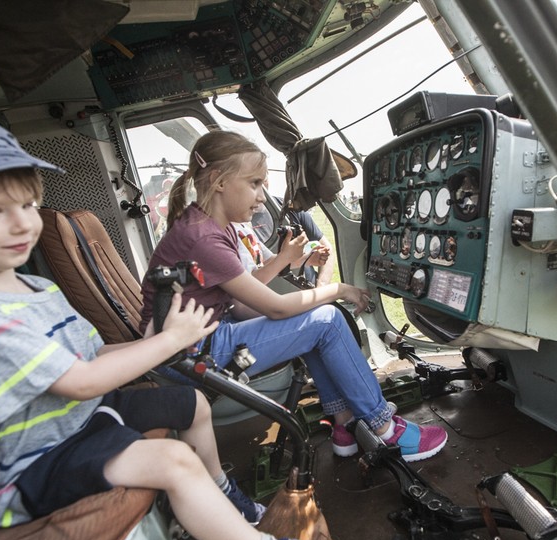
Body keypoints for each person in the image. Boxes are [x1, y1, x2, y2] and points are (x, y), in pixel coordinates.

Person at [0, 105, 361, 540]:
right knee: (172, 460)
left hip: (74, 419)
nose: (22, 224)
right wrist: (168, 343)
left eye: (26, 205)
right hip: (32, 463)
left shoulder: (29, 287)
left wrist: (155, 343)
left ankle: (222, 497)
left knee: (190, 405)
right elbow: (81, 380)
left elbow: (92, 355)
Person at [141, 129, 448, 462]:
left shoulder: (210, 226)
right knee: (327, 320)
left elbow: (245, 290)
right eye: (254, 183)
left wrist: (283, 261)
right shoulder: (204, 237)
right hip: (191, 352)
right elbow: (275, 308)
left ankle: (344, 424)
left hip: (194, 340)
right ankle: (385, 428)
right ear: (218, 181)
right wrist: (340, 289)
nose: (261, 196)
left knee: (311, 324)